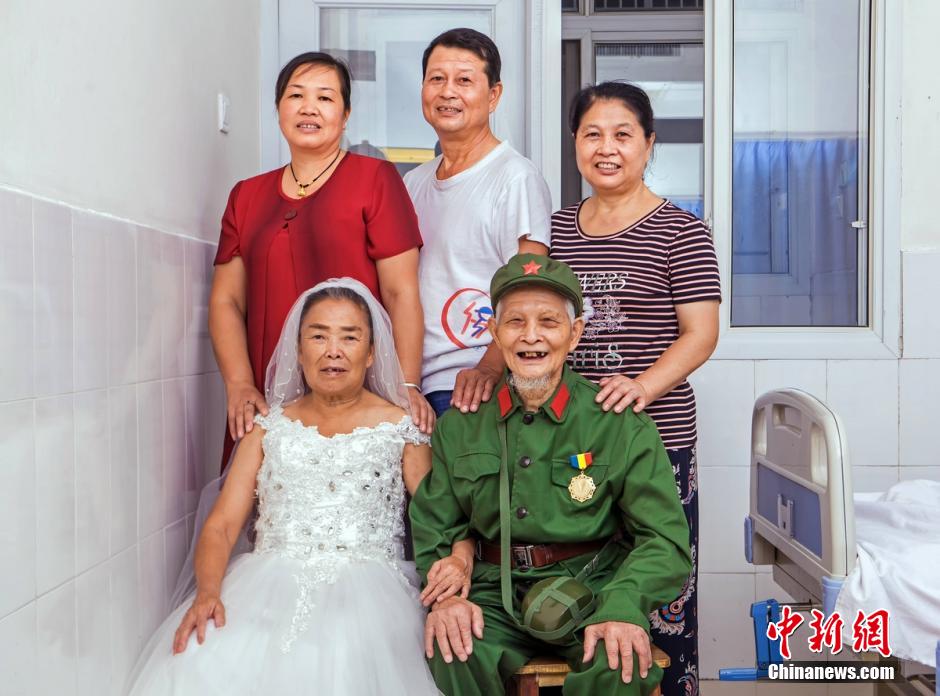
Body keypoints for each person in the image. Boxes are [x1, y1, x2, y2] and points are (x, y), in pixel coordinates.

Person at [128, 279, 472, 695]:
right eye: (319, 335)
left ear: (370, 354)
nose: (333, 350)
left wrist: (461, 557)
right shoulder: (268, 428)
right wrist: (208, 593)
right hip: (265, 586)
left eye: (349, 337)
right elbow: (221, 526)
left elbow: (444, 514)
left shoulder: (402, 428)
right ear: (298, 350)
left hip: (372, 596)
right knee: (203, 659)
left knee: (345, 665)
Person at [410, 254, 692, 696]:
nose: (531, 336)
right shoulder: (462, 423)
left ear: (574, 333)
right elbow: (436, 522)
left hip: (594, 586)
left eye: (548, 321)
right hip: (492, 590)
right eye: (515, 321)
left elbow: (665, 541)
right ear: (494, 333)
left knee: (620, 662)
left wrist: (623, 603)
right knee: (452, 648)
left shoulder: (615, 421)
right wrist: (447, 594)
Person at [550, 82, 721, 696]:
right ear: (575, 143)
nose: (607, 148)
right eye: (592, 134)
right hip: (573, 444)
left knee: (660, 589)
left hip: (657, 438)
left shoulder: (681, 231)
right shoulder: (555, 232)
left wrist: (642, 386)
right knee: (584, 584)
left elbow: (701, 334)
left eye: (623, 135)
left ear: (649, 144)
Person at [212, 51, 434, 474]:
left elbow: (401, 291)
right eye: (296, 95)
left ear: (345, 114)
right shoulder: (246, 196)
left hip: (358, 392)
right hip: (267, 396)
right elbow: (226, 301)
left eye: (325, 98)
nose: (309, 107)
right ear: (279, 108)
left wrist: (405, 383)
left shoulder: (375, 180)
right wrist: (238, 383)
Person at [404, 28, 552, 418]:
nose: (447, 91)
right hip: (413, 387)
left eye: (464, 80)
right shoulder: (412, 183)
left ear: (493, 95)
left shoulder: (516, 177)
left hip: (476, 389)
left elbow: (528, 288)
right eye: (437, 78)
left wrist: (488, 367)